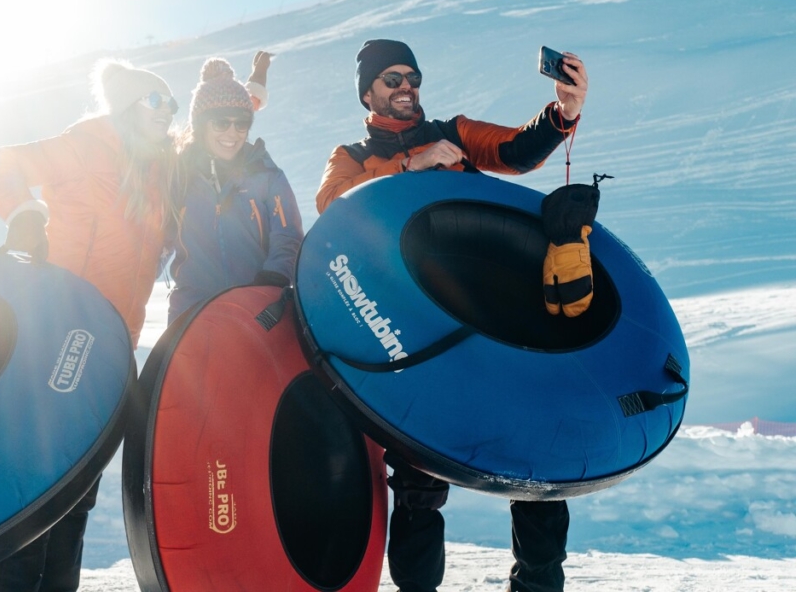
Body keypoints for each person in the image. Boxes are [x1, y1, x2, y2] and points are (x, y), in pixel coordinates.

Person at [316, 39, 588, 592]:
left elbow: (516, 151)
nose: (404, 86)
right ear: (367, 92)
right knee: (417, 482)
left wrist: (564, 111)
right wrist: (410, 164)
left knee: (534, 459)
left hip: (492, 314)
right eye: (391, 79)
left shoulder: (455, 133)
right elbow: (332, 204)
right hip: (415, 331)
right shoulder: (351, 156)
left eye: (411, 76)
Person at [0, 59, 178, 592]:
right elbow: (1, 165)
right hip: (55, 333)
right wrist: (24, 214)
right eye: (157, 101)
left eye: (172, 104)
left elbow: (219, 129)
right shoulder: (86, 143)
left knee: (78, 494)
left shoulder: (157, 171)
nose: (168, 113)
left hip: (112, 346)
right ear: (130, 104)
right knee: (33, 487)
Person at [167, 52, 303, 323]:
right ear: (200, 126)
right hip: (192, 312)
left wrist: (272, 281)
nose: (232, 133)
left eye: (242, 123)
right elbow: (152, 237)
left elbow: (288, 237)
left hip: (260, 307)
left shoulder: (266, 175)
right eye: (221, 122)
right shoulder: (177, 176)